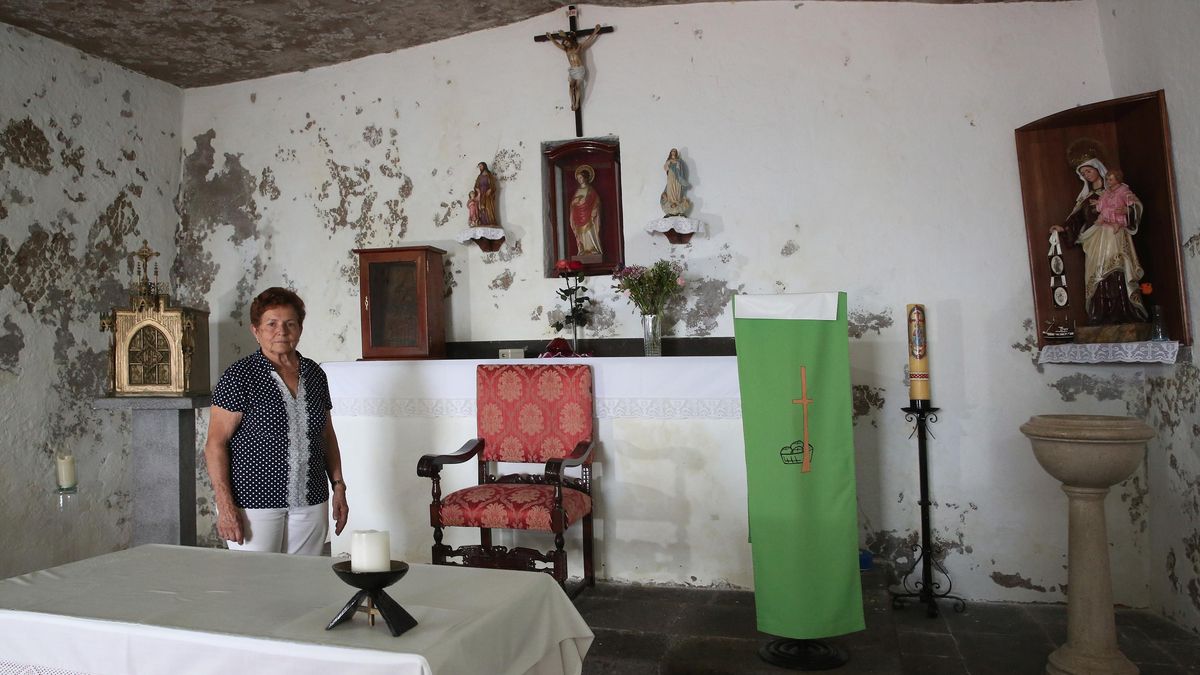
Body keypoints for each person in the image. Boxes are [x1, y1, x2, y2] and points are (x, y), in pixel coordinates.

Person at [204, 287, 349, 554]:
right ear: (255, 330)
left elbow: (326, 435)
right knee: (256, 585)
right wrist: (225, 506)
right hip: (253, 500)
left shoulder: (315, 375)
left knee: (303, 583)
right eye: (271, 323)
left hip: (311, 498)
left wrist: (338, 486)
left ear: (300, 328)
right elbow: (215, 444)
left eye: (289, 323)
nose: (281, 331)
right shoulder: (239, 377)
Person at [1050, 158, 1147, 324]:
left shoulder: (1117, 190)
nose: (1086, 175)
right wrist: (1063, 229)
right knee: (1096, 275)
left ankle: (1124, 313)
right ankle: (1101, 314)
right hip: (1094, 240)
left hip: (1113, 236)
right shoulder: (1086, 198)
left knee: (1116, 269)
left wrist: (1127, 210)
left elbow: (1136, 206)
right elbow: (1076, 219)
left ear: (1098, 169)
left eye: (1088, 171)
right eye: (1083, 173)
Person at [545, 25, 603, 111]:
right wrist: (551, 38)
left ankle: (576, 104)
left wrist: (595, 31)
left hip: (579, 69)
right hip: (572, 70)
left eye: (567, 42)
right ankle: (572, 102)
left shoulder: (578, 47)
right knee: (571, 86)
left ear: (570, 41)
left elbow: (588, 41)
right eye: (564, 43)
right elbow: (557, 44)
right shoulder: (566, 50)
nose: (566, 44)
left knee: (576, 87)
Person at [569, 164, 603, 256]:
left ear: (586, 178)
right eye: (578, 178)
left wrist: (593, 209)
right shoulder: (577, 190)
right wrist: (575, 203)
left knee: (590, 232)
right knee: (581, 234)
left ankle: (593, 249)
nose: (580, 179)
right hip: (578, 215)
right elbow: (572, 203)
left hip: (588, 216)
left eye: (581, 177)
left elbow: (596, 201)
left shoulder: (590, 190)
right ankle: (583, 249)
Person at [660, 148, 692, 217]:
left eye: (674, 151)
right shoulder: (669, 160)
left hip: (677, 178)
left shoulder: (679, 161)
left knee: (677, 188)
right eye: (672, 151)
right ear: (670, 153)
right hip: (671, 176)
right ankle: (671, 201)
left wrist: (677, 164)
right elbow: (665, 168)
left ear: (676, 153)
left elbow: (681, 170)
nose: (673, 152)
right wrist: (669, 163)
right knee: (670, 188)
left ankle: (677, 201)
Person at [474, 162, 499, 227]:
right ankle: (482, 221)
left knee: (488, 207)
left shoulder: (489, 175)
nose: (480, 168)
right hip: (481, 194)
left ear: (484, 166)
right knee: (482, 208)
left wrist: (490, 189)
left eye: (481, 166)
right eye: (479, 166)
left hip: (488, 194)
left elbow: (493, 185)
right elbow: (476, 185)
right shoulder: (479, 176)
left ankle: (490, 221)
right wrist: (477, 189)